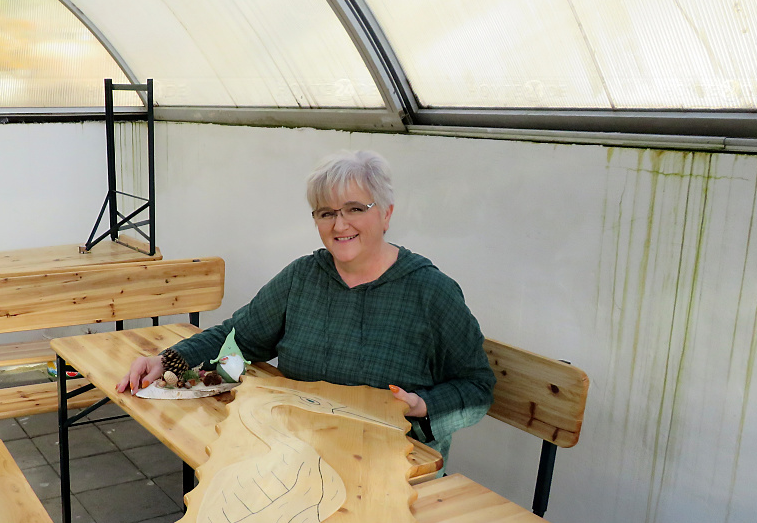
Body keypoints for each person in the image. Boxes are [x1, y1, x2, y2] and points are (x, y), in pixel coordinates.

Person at [117, 149, 495, 462]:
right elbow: (238, 338)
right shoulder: (303, 277)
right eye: (326, 212)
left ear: (386, 213)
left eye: (354, 208)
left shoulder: (430, 292)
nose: (339, 224)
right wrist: (169, 361)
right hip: (300, 452)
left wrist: (421, 405)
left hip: (393, 463)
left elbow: (477, 388)